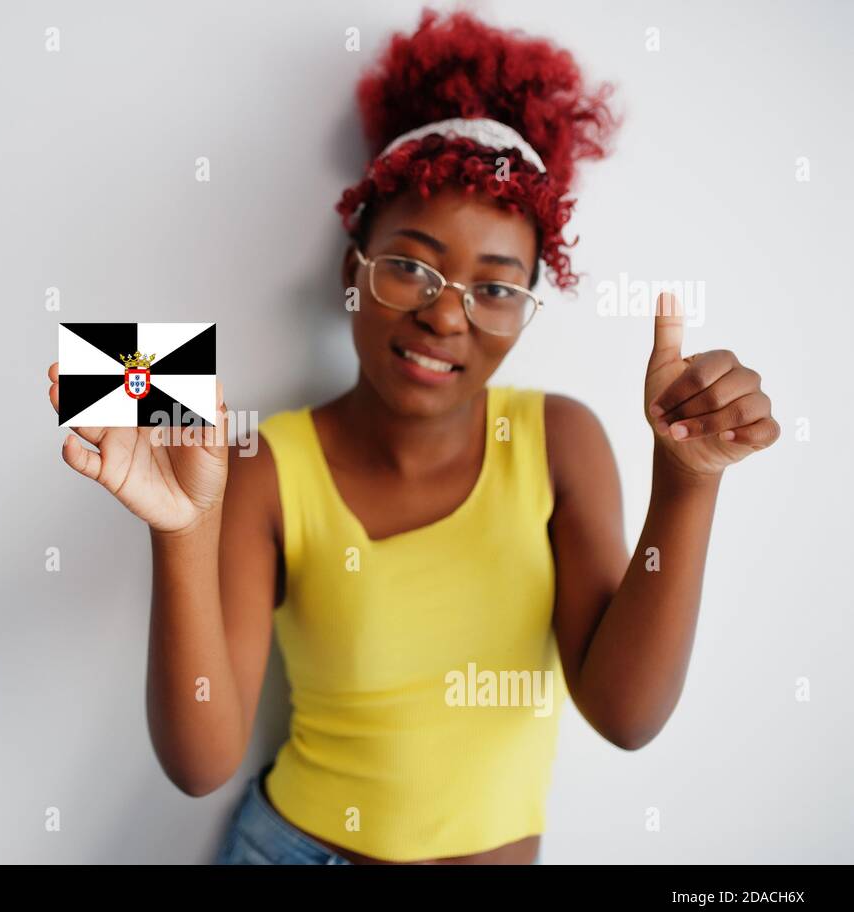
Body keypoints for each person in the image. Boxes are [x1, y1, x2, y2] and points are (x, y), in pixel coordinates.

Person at [45, 9, 778, 864]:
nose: (443, 314)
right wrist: (179, 532)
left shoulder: (561, 442)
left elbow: (626, 714)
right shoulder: (263, 462)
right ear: (351, 268)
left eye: (495, 287)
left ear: (527, 309)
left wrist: (687, 483)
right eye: (410, 265)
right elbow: (201, 763)